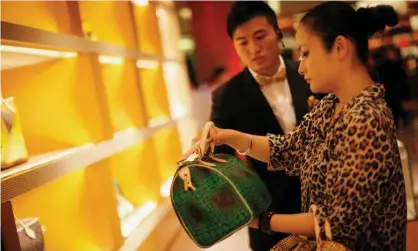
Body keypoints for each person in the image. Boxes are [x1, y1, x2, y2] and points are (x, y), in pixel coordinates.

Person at [196, 2, 406, 250]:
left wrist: (260, 221)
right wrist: (228, 137)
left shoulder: (366, 118)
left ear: (339, 47)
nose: (302, 65)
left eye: (306, 53)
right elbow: (290, 148)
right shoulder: (331, 105)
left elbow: (336, 222)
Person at [209, 2, 318, 250]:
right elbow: (221, 162)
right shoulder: (227, 95)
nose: (254, 49)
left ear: (278, 33)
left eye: (260, 36)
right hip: (271, 217)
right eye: (242, 42)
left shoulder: (309, 72)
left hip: (325, 207)